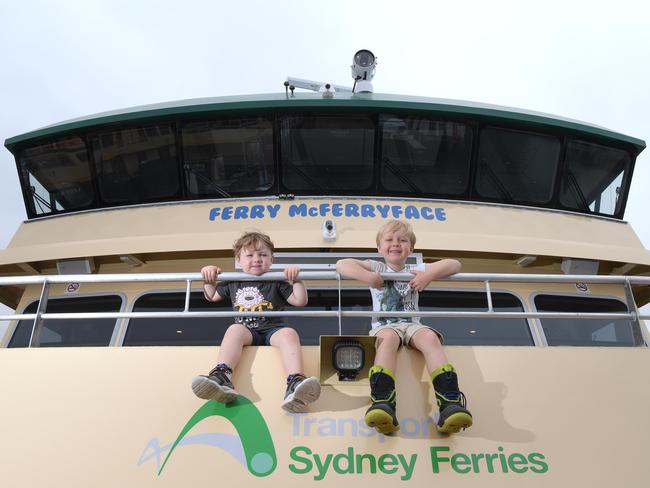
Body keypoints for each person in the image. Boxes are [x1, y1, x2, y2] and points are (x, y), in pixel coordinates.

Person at [336, 220, 472, 434]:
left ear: (411, 247)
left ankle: (450, 402)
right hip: (384, 325)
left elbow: (454, 264)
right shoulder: (377, 267)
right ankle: (383, 403)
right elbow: (342, 264)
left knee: (430, 338)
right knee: (387, 339)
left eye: (402, 240)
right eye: (389, 240)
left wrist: (429, 275)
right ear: (379, 248)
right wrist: (368, 277)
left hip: (411, 325)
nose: (395, 244)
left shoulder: (415, 270)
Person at [191, 231, 320, 413]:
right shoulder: (232, 280)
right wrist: (208, 277)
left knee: (289, 333)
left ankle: (295, 381)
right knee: (234, 329)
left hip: (273, 330)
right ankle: (221, 376)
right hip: (247, 331)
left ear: (272, 259)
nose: (257, 259)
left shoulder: (277, 280)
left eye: (263, 255)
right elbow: (211, 296)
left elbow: (300, 301)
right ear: (238, 260)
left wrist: (297, 280)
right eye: (249, 255)